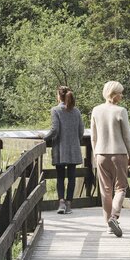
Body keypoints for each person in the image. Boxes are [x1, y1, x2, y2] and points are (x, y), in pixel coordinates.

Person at [89, 80, 130, 237]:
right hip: (119, 154)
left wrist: (95, 154)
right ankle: (114, 217)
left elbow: (93, 137)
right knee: (120, 188)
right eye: (120, 93)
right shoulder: (121, 111)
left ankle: (108, 225)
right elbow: (127, 136)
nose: (121, 96)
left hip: (101, 154)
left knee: (105, 190)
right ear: (113, 94)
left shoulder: (96, 110)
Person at [48, 86, 84, 214]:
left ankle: (61, 202)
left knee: (60, 177)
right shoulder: (76, 111)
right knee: (72, 177)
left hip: (60, 148)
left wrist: (44, 138)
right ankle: (69, 204)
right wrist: (74, 141)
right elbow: (81, 131)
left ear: (59, 96)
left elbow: (55, 130)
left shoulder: (55, 110)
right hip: (74, 148)